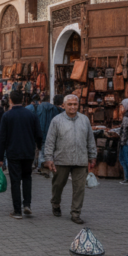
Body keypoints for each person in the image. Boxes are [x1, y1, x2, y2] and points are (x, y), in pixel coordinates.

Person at [43, 94, 97, 224]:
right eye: (70, 104)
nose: (73, 107)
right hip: (62, 159)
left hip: (80, 159)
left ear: (78, 105)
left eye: (75, 104)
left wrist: (92, 155)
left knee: (79, 188)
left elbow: (90, 139)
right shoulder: (57, 120)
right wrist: (48, 158)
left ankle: (75, 213)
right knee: (58, 185)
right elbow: (50, 141)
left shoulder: (84, 120)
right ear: (64, 105)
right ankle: (55, 204)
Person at [0, 90, 43, 219]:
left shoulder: (7, 116)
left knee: (15, 181)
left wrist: (0, 158)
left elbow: (2, 138)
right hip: (28, 152)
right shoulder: (31, 115)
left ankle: (17, 211)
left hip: (13, 153)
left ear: (10, 100)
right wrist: (38, 148)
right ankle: (27, 204)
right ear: (23, 100)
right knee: (27, 178)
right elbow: (39, 134)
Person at [34, 93, 58, 177]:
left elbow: (37, 119)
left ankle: (42, 166)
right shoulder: (54, 108)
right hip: (51, 131)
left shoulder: (39, 107)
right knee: (50, 148)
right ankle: (48, 165)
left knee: (41, 148)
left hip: (41, 130)